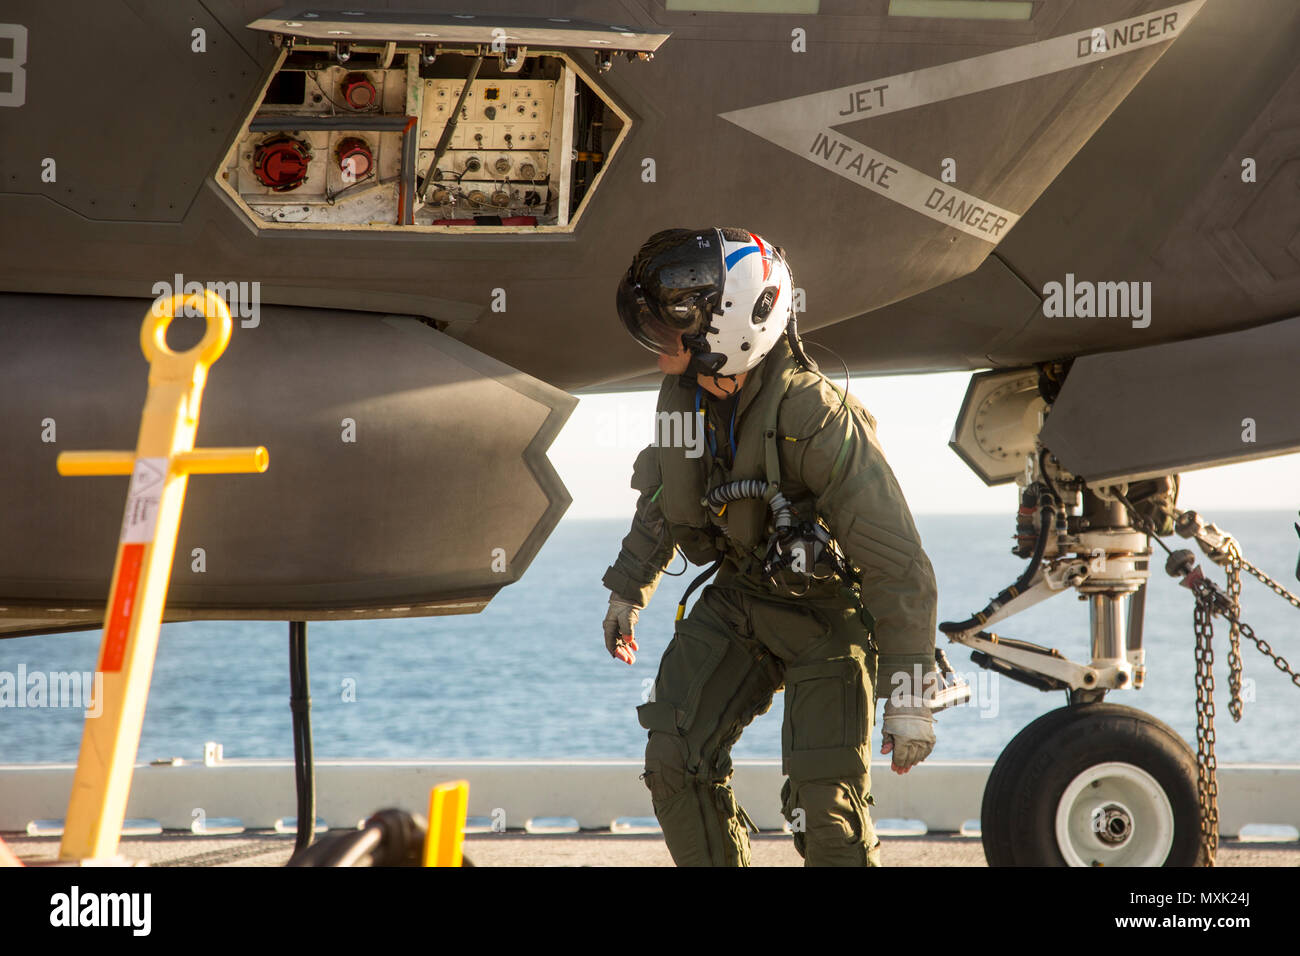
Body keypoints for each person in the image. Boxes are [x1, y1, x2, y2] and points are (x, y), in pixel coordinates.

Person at [601, 227, 939, 867]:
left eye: (669, 334)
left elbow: (898, 563)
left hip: (826, 615)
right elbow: (665, 494)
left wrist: (910, 694)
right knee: (674, 760)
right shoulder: (683, 398)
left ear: (730, 330)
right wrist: (628, 587)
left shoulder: (815, 415)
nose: (655, 351)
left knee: (826, 814)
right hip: (740, 597)